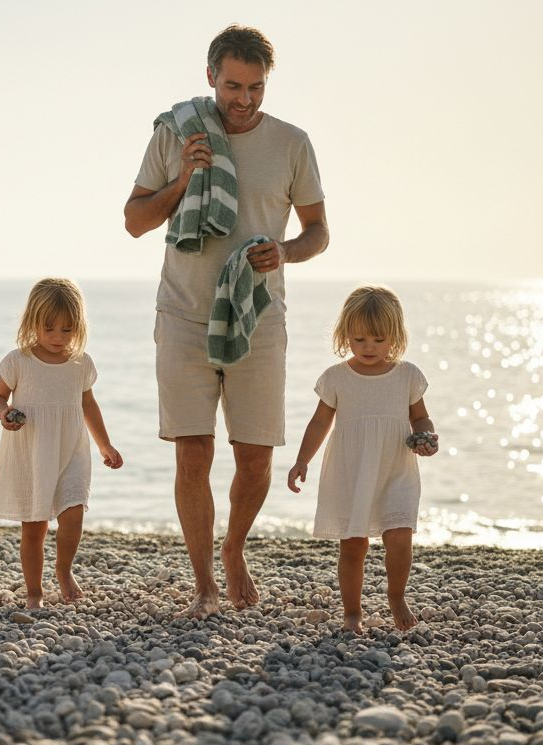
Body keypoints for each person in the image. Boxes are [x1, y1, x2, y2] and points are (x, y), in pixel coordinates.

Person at [123, 24, 329, 617]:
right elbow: (135, 221)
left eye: (256, 87)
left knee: (256, 457)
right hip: (183, 313)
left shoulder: (292, 143)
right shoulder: (177, 132)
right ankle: (204, 583)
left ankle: (234, 547)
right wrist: (183, 180)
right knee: (193, 453)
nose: (244, 99)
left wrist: (285, 251)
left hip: (257, 316)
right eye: (234, 86)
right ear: (211, 76)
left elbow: (318, 231)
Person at [286, 285, 437, 633]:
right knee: (353, 546)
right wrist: (302, 460)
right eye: (359, 339)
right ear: (345, 336)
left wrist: (427, 437)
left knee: (400, 537)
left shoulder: (407, 375)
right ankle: (352, 612)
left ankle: (396, 596)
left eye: (379, 340)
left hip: (396, 471)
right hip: (351, 472)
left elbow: (421, 418)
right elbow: (319, 422)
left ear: (395, 337)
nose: (369, 347)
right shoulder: (336, 378)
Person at [0, 278, 123, 609]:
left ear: (79, 326)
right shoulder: (18, 361)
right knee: (34, 529)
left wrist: (105, 445)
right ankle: (34, 592)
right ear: (32, 322)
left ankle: (63, 571)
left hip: (71, 451)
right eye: (49, 328)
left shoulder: (81, 363)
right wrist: (4, 413)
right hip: (31, 453)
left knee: (74, 514)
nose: (58, 337)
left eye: (67, 329)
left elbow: (88, 405)